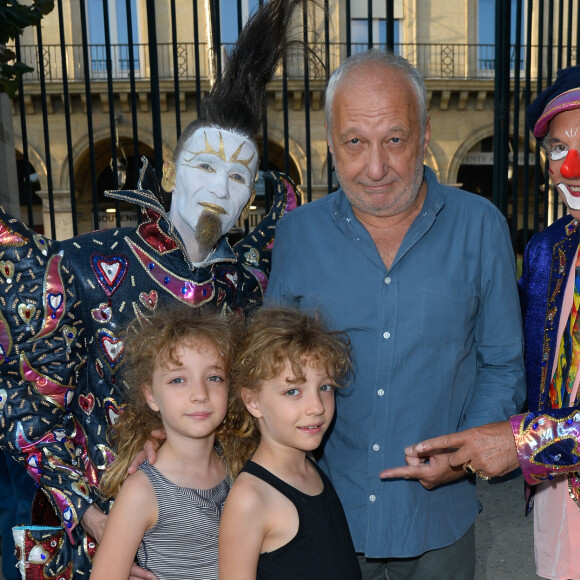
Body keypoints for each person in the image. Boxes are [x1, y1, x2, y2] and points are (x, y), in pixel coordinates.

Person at [0, 0, 302, 575]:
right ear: (171, 172)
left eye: (238, 175)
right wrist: (92, 516)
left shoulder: (244, 284)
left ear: (250, 194)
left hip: (195, 531)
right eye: (205, 166)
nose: (220, 187)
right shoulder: (86, 266)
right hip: (80, 531)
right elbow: (23, 404)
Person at [265, 48, 526, 579]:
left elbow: (502, 364)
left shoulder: (481, 226)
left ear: (425, 134)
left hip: (439, 525)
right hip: (321, 517)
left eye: (395, 140)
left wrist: (461, 453)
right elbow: (273, 371)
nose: (376, 167)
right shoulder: (297, 234)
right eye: (355, 142)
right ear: (331, 140)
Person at [398, 66, 580, 580]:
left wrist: (524, 444)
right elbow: (511, 357)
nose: (571, 168)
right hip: (557, 501)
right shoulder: (549, 249)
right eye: (558, 149)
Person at [89, 305, 237, 580]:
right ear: (151, 395)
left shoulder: (236, 468)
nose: (200, 394)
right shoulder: (142, 492)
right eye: (178, 380)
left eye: (214, 377)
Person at [218, 306, 362, 579]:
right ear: (252, 401)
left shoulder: (310, 466)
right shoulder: (250, 499)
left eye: (325, 387)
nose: (316, 406)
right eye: (293, 391)